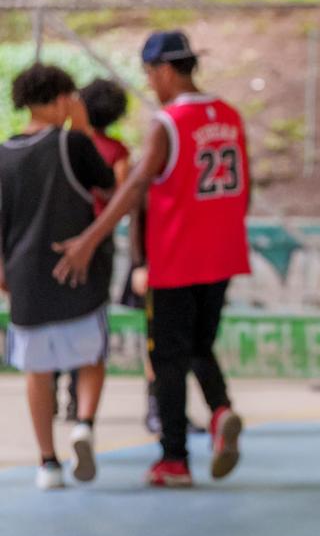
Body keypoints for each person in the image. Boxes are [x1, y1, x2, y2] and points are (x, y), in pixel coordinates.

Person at [53, 30, 250, 489]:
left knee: (167, 359)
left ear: (163, 70)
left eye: (149, 74)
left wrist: (90, 237)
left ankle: (174, 458)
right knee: (200, 345)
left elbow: (136, 187)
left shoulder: (168, 122)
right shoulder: (230, 115)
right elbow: (247, 188)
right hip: (222, 253)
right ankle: (220, 410)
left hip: (176, 259)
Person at [0, 64, 115, 490]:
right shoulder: (70, 144)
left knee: (37, 370)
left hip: (23, 274)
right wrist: (83, 129)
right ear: (65, 98)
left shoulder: (3, 153)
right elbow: (105, 183)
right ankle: (83, 423)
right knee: (91, 356)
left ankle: (47, 462)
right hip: (76, 268)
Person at [50, 78, 132, 423]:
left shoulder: (64, 144)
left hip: (63, 240)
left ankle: (49, 382)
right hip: (97, 245)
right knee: (88, 321)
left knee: (53, 317)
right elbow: (121, 197)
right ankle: (76, 400)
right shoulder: (116, 151)